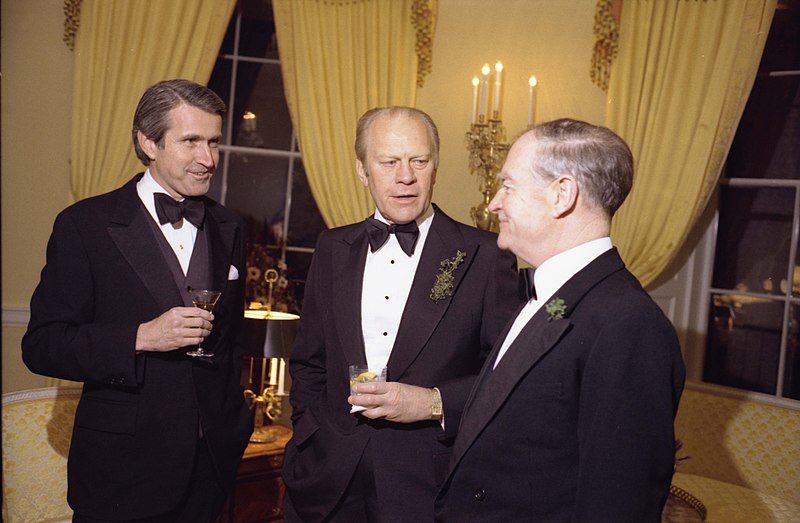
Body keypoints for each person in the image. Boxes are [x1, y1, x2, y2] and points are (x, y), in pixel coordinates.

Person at [22, 79, 252, 522]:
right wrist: (141, 337)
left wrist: (233, 428)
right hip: (120, 474)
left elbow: (230, 343)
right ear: (149, 142)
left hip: (209, 470)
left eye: (213, 142)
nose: (208, 160)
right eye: (190, 142)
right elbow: (42, 345)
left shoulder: (230, 226)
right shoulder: (84, 225)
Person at [435, 118, 686, 522]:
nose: (494, 202)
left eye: (509, 185)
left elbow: (617, 507)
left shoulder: (629, 324)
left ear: (562, 194)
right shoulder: (554, 294)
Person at [281, 106, 521, 522]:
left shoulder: (484, 256)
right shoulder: (332, 247)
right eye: (389, 162)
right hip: (327, 478)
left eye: (418, 161)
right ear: (362, 170)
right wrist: (310, 432)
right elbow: (309, 361)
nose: (405, 176)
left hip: (429, 486)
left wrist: (432, 403)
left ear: (435, 165)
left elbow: (511, 374)